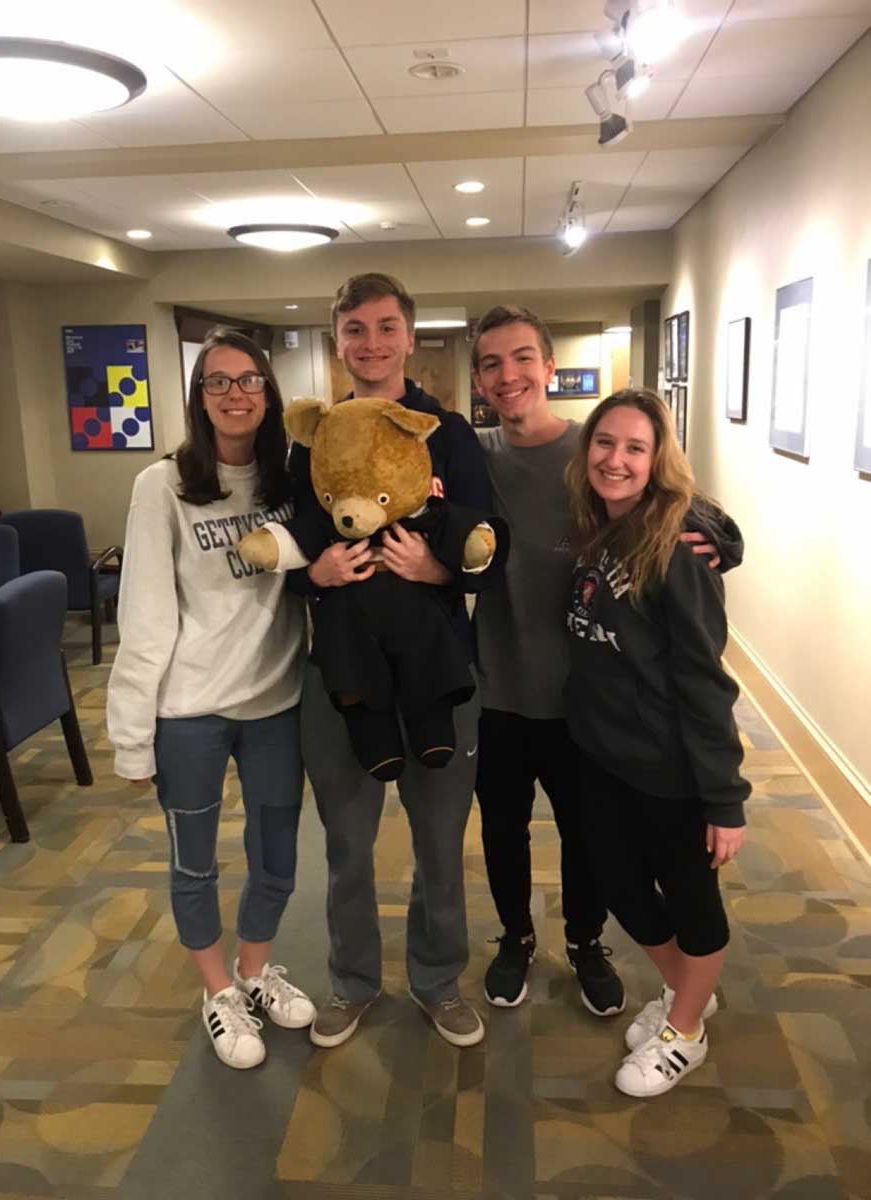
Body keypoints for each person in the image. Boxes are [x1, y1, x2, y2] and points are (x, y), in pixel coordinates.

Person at [470, 306, 740, 1015]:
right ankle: (516, 938)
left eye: (523, 357)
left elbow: (676, 505)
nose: (509, 375)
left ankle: (588, 942)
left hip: (584, 702)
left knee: (588, 843)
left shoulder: (594, 449)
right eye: (492, 363)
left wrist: (721, 535)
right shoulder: (476, 456)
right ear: (478, 379)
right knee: (502, 829)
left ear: (548, 367)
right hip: (497, 686)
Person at [294, 272, 497, 1049]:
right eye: (354, 330)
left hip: (439, 669)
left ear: (410, 337)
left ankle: (438, 980)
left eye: (385, 328)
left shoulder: (447, 434)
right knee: (346, 844)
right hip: (340, 672)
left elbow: (488, 545)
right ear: (337, 340)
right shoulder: (312, 436)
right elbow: (288, 535)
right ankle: (350, 983)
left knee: (439, 843)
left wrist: (439, 571)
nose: (370, 344)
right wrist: (310, 574)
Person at [106, 328, 315, 1071]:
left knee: (277, 857)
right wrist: (132, 735)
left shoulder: (290, 478)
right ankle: (217, 989)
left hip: (275, 699)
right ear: (199, 398)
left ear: (269, 392)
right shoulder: (160, 485)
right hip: (188, 711)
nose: (235, 394)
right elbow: (145, 613)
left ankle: (255, 970)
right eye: (218, 382)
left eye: (249, 380)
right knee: (194, 863)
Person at [564, 389, 748, 1097]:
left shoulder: (677, 544)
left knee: (692, 901)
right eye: (605, 443)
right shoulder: (600, 526)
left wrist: (724, 800)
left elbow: (705, 678)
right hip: (605, 756)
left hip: (671, 766)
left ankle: (687, 1029)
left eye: (635, 447)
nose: (616, 459)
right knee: (620, 887)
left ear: (657, 458)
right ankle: (687, 997)